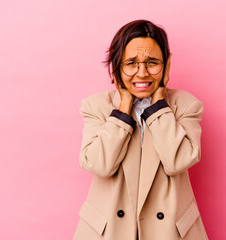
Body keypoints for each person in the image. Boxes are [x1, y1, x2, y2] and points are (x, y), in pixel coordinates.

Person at [72, 19, 208, 240]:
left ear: (167, 64)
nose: (142, 73)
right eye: (131, 63)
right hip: (109, 232)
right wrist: (123, 111)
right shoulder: (95, 106)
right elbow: (99, 164)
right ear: (117, 66)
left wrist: (158, 107)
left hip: (169, 232)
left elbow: (178, 162)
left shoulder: (186, 105)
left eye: (152, 62)